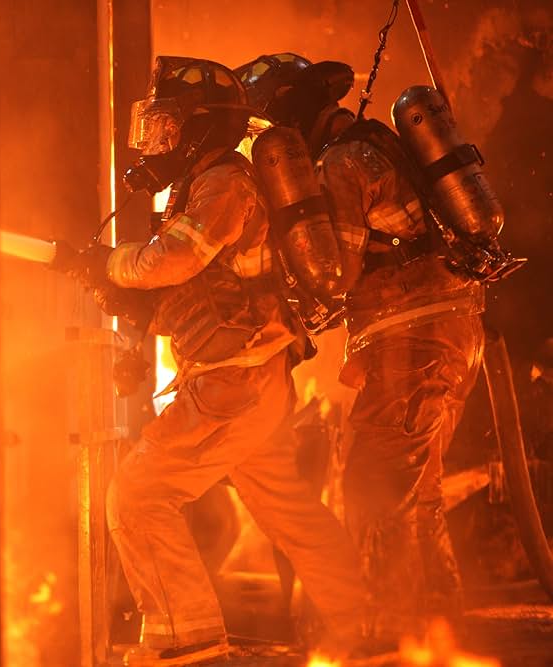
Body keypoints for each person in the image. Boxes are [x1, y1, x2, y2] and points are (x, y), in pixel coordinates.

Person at [54, 56, 365, 666]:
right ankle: (368, 624)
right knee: (290, 512)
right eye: (154, 129)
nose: (156, 143)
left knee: (138, 497)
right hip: (251, 376)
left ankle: (186, 638)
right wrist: (135, 304)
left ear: (201, 129)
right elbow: (205, 289)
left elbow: (173, 260)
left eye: (168, 129)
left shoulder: (226, 183)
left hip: (235, 382)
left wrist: (112, 265)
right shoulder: (204, 185)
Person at [236, 53, 487, 641]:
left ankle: (388, 635)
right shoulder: (379, 144)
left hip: (413, 342)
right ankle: (437, 629)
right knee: (417, 494)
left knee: (374, 489)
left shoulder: (341, 166)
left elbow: (339, 274)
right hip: (449, 331)